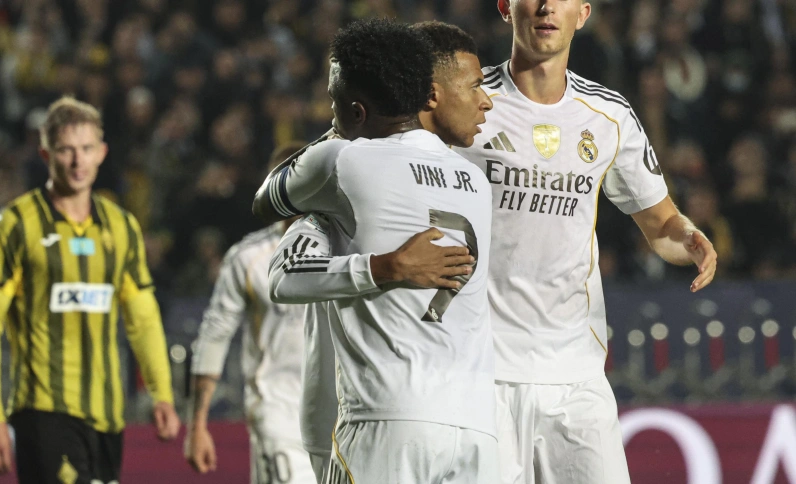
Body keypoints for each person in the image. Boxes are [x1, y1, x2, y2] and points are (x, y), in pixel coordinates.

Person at [450, 1, 717, 482]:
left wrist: (688, 237)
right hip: (478, 368)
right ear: (506, 8)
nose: (547, 6)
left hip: (575, 374)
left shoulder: (609, 115)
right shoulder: (464, 100)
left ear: (583, 13)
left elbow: (660, 225)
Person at [254, 18, 498, 483]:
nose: (330, 113)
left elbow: (267, 201)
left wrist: (383, 267)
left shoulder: (343, 162)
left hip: (388, 419)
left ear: (357, 111)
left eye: (334, 103)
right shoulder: (475, 182)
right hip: (477, 426)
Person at [0, 96, 180, 483]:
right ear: (45, 153)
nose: (77, 161)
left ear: (101, 152)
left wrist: (161, 392)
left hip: (106, 413)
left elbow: (143, 317)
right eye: (66, 150)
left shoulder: (121, 226)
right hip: (42, 408)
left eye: (86, 149)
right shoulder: (15, 225)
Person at [184, 141, 318, 484]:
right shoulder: (249, 258)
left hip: (339, 416)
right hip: (277, 414)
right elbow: (214, 335)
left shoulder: (349, 248)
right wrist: (197, 424)